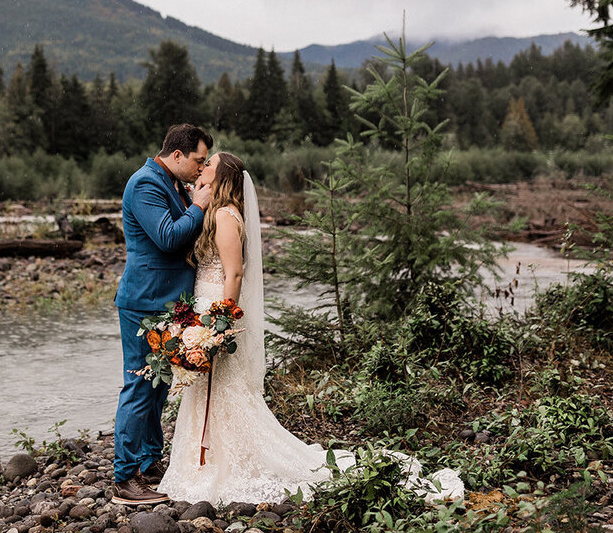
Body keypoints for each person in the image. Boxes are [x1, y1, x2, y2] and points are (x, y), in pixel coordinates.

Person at [158, 152, 465, 505]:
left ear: (223, 176)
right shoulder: (212, 212)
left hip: (216, 312)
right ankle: (203, 461)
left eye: (208, 164)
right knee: (207, 387)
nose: (202, 168)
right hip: (203, 307)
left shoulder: (226, 216)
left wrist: (220, 323)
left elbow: (235, 273)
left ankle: (222, 463)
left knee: (223, 388)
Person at [112, 123, 214, 506]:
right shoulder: (145, 184)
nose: (201, 170)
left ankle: (150, 462)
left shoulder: (172, 183)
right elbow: (168, 237)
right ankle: (125, 479)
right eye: (198, 161)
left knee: (157, 388)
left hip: (169, 301)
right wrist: (199, 205)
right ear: (176, 155)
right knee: (139, 387)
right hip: (145, 300)